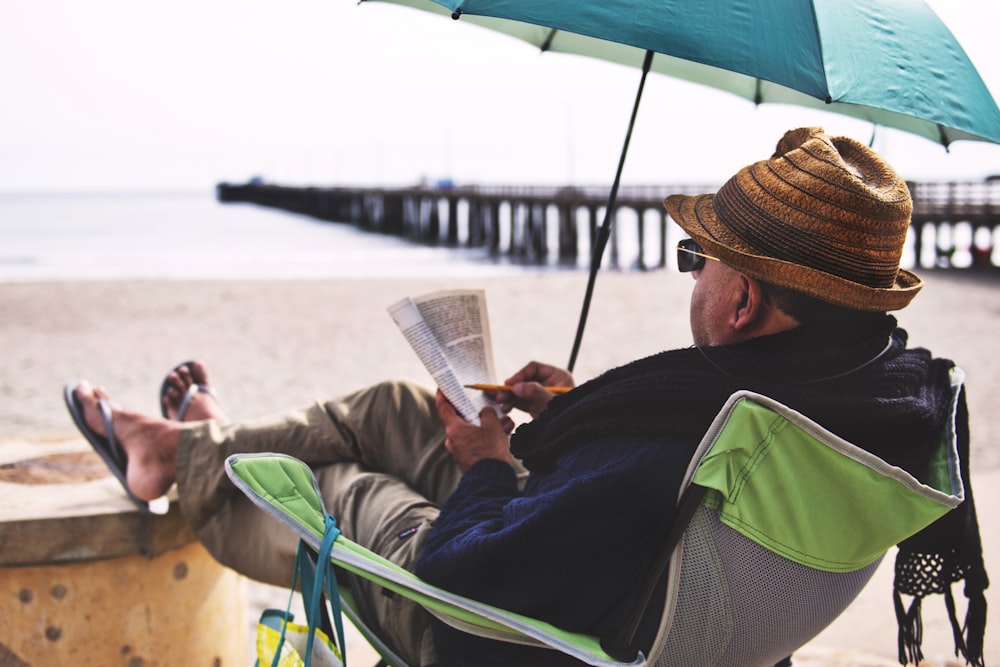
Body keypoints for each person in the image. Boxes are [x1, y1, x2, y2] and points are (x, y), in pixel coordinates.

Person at [64, 127, 987, 667]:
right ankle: (181, 446)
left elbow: (463, 575)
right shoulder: (864, 401)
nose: (692, 276)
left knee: (340, 478)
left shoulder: (685, 443)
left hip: (501, 629)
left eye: (696, 260)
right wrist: (582, 411)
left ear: (744, 300)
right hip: (623, 564)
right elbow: (648, 476)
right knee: (396, 404)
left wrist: (487, 464)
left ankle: (192, 457)